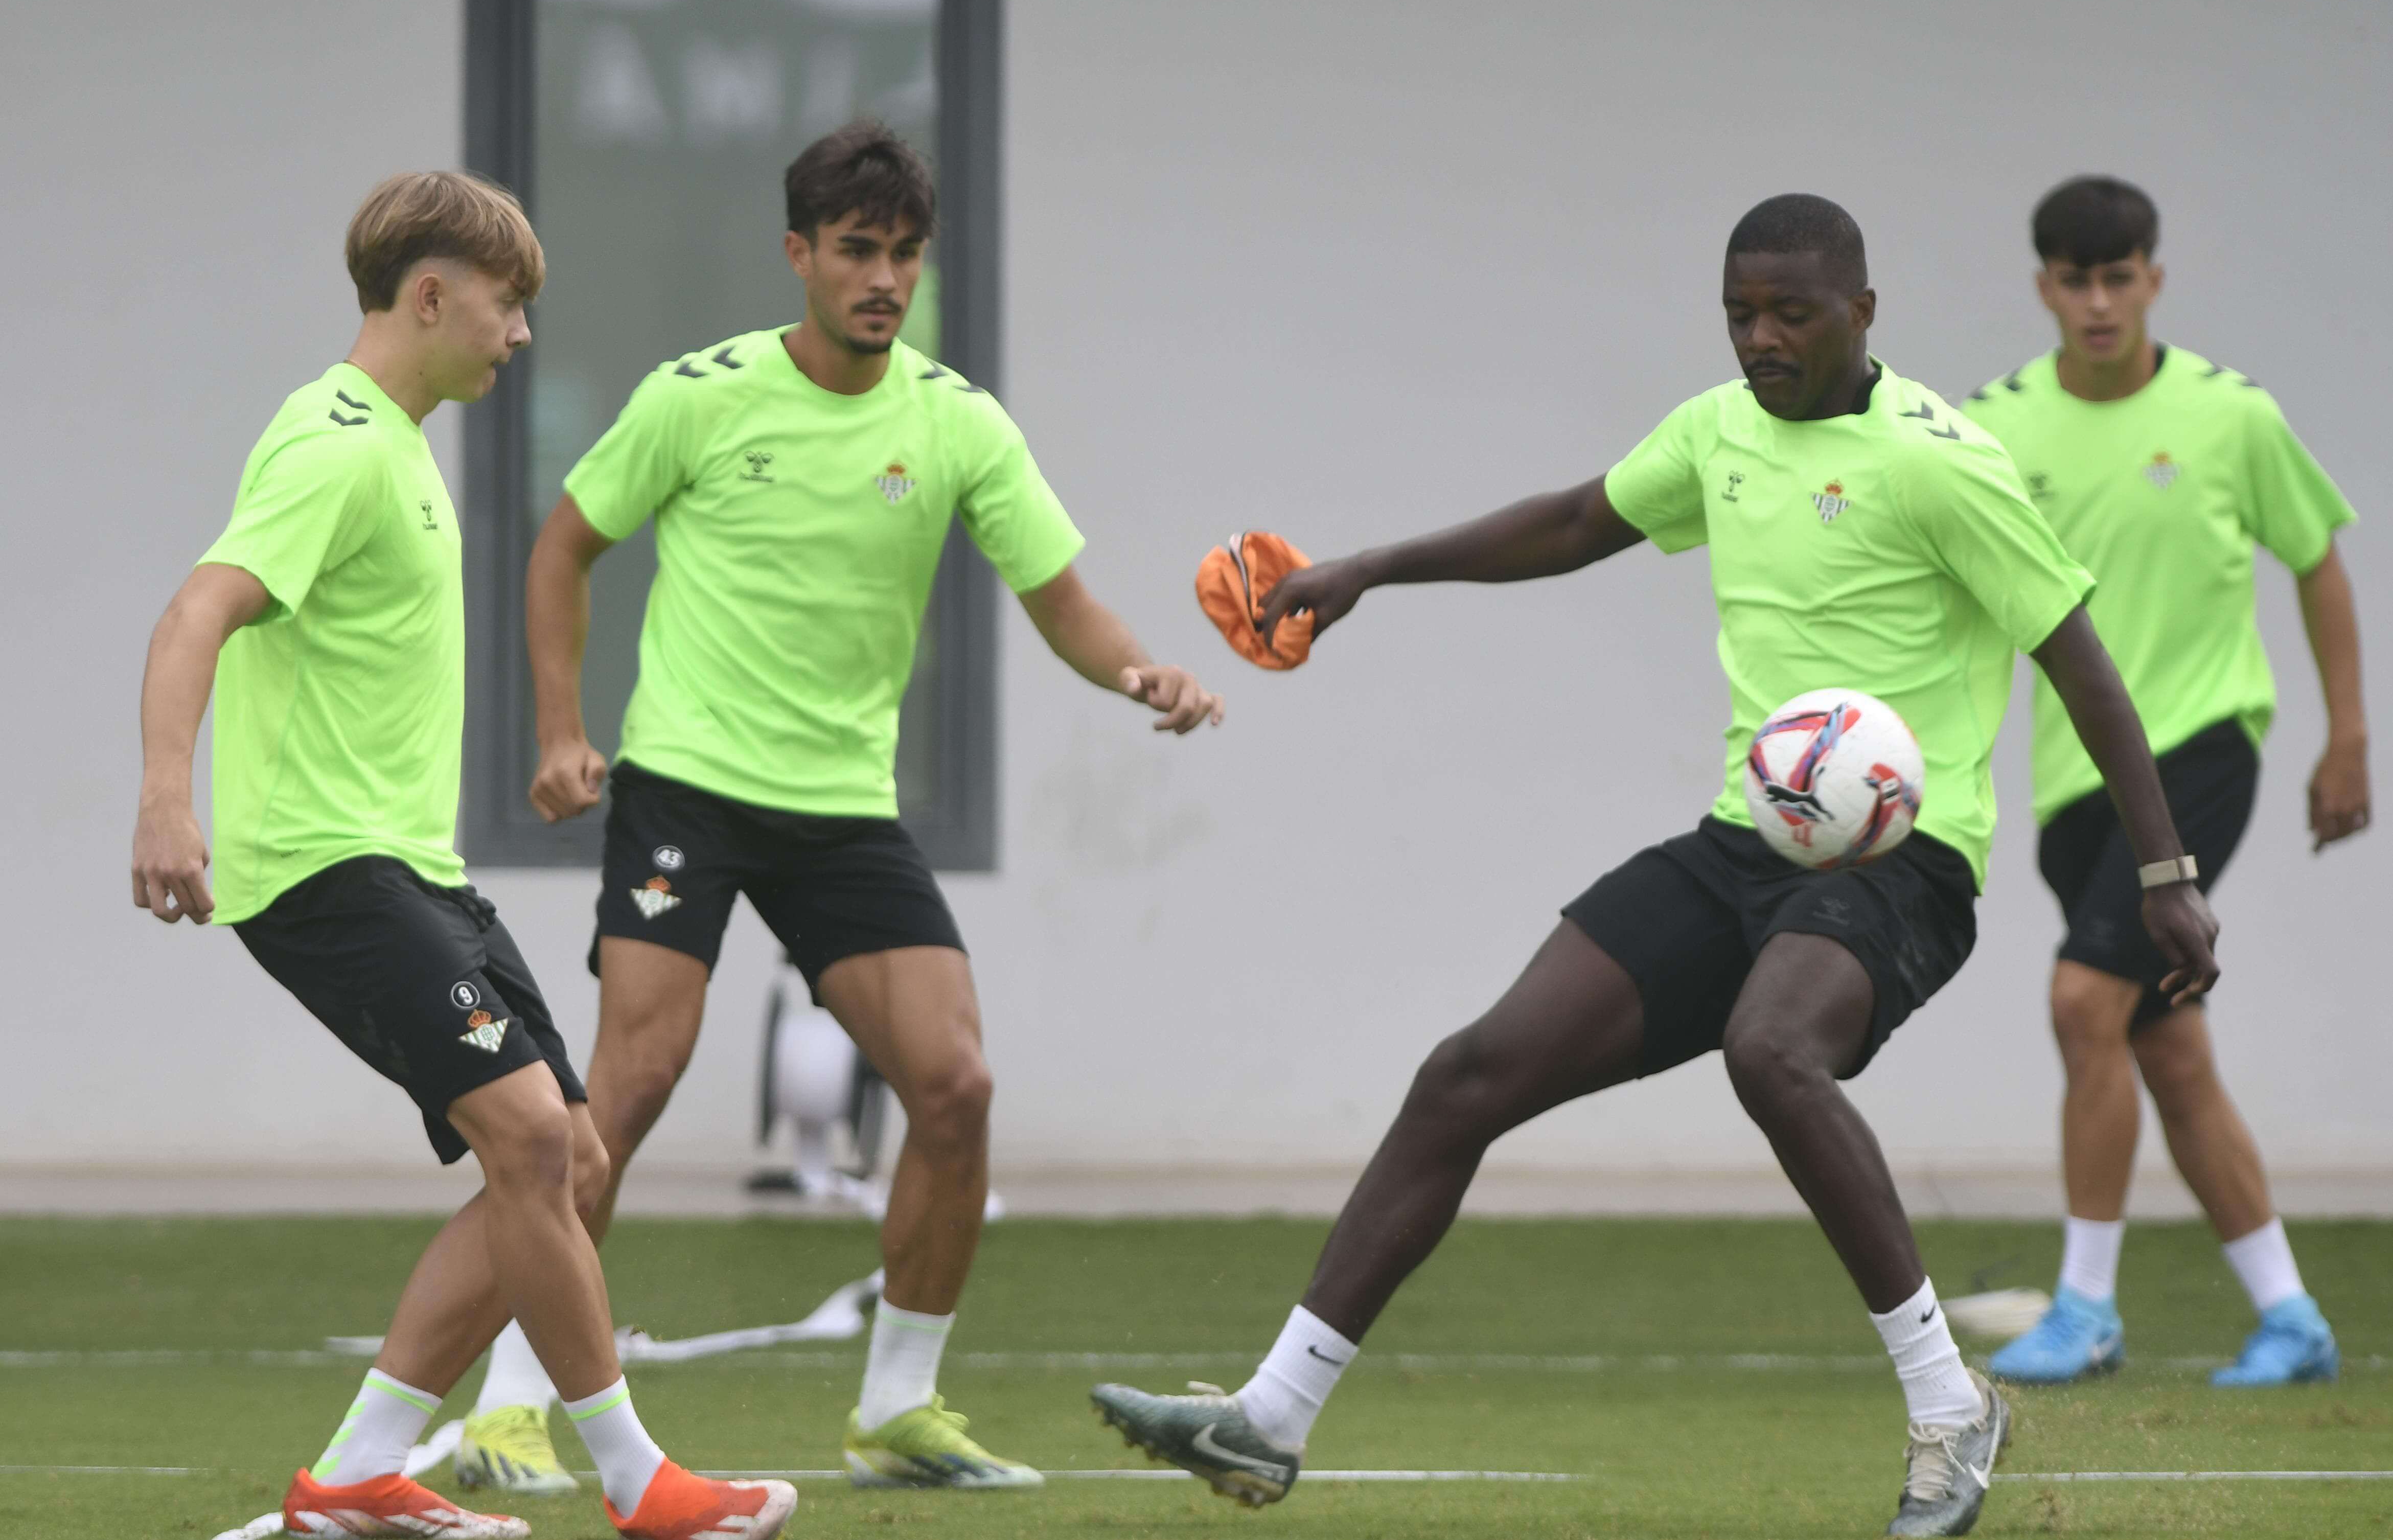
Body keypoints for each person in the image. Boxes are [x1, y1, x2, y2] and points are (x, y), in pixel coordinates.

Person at [1088, 194, 2220, 1540]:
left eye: (1790, 312)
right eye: (1739, 312)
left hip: (1904, 867)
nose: (1760, 337)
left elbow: (2077, 656)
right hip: (1743, 848)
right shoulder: (1718, 433)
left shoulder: (1941, 463)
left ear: (1862, 311)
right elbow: (1575, 520)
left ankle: (1947, 1406)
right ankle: (1267, 1418)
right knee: (1467, 1074)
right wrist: (1371, 572)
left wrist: (2164, 870)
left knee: (1771, 1051)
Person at [456, 120, 1224, 1493]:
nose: (884, 278)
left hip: (840, 813)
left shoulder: (957, 422)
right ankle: (513, 1402)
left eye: (905, 255)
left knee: (954, 1083)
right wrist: (562, 732)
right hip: (687, 780)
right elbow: (564, 545)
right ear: (799, 255)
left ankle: (896, 1409)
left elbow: (1062, 602)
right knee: (625, 1083)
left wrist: (1140, 670)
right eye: (858, 251)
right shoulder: (699, 396)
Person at [129, 173, 794, 1540]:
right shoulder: (334, 442)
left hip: (410, 870)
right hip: (323, 869)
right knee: (537, 1136)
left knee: (577, 1161)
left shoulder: (399, 446)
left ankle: (362, 1469)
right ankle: (636, 1480)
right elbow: (200, 606)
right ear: (431, 295)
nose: (521, 336)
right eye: (508, 306)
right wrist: (163, 797)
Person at [1962, 176, 2361, 1389]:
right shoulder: (1993, 428)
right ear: (2042, 287)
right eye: (2074, 281)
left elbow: (2316, 560)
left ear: (2153, 279)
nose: (2097, 302)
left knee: (2086, 1001)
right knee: (2166, 1048)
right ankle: (2289, 1315)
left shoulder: (2231, 416)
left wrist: (2346, 736)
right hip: (2067, 790)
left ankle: (2083, 1307)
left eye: (2118, 277)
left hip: (2199, 749)